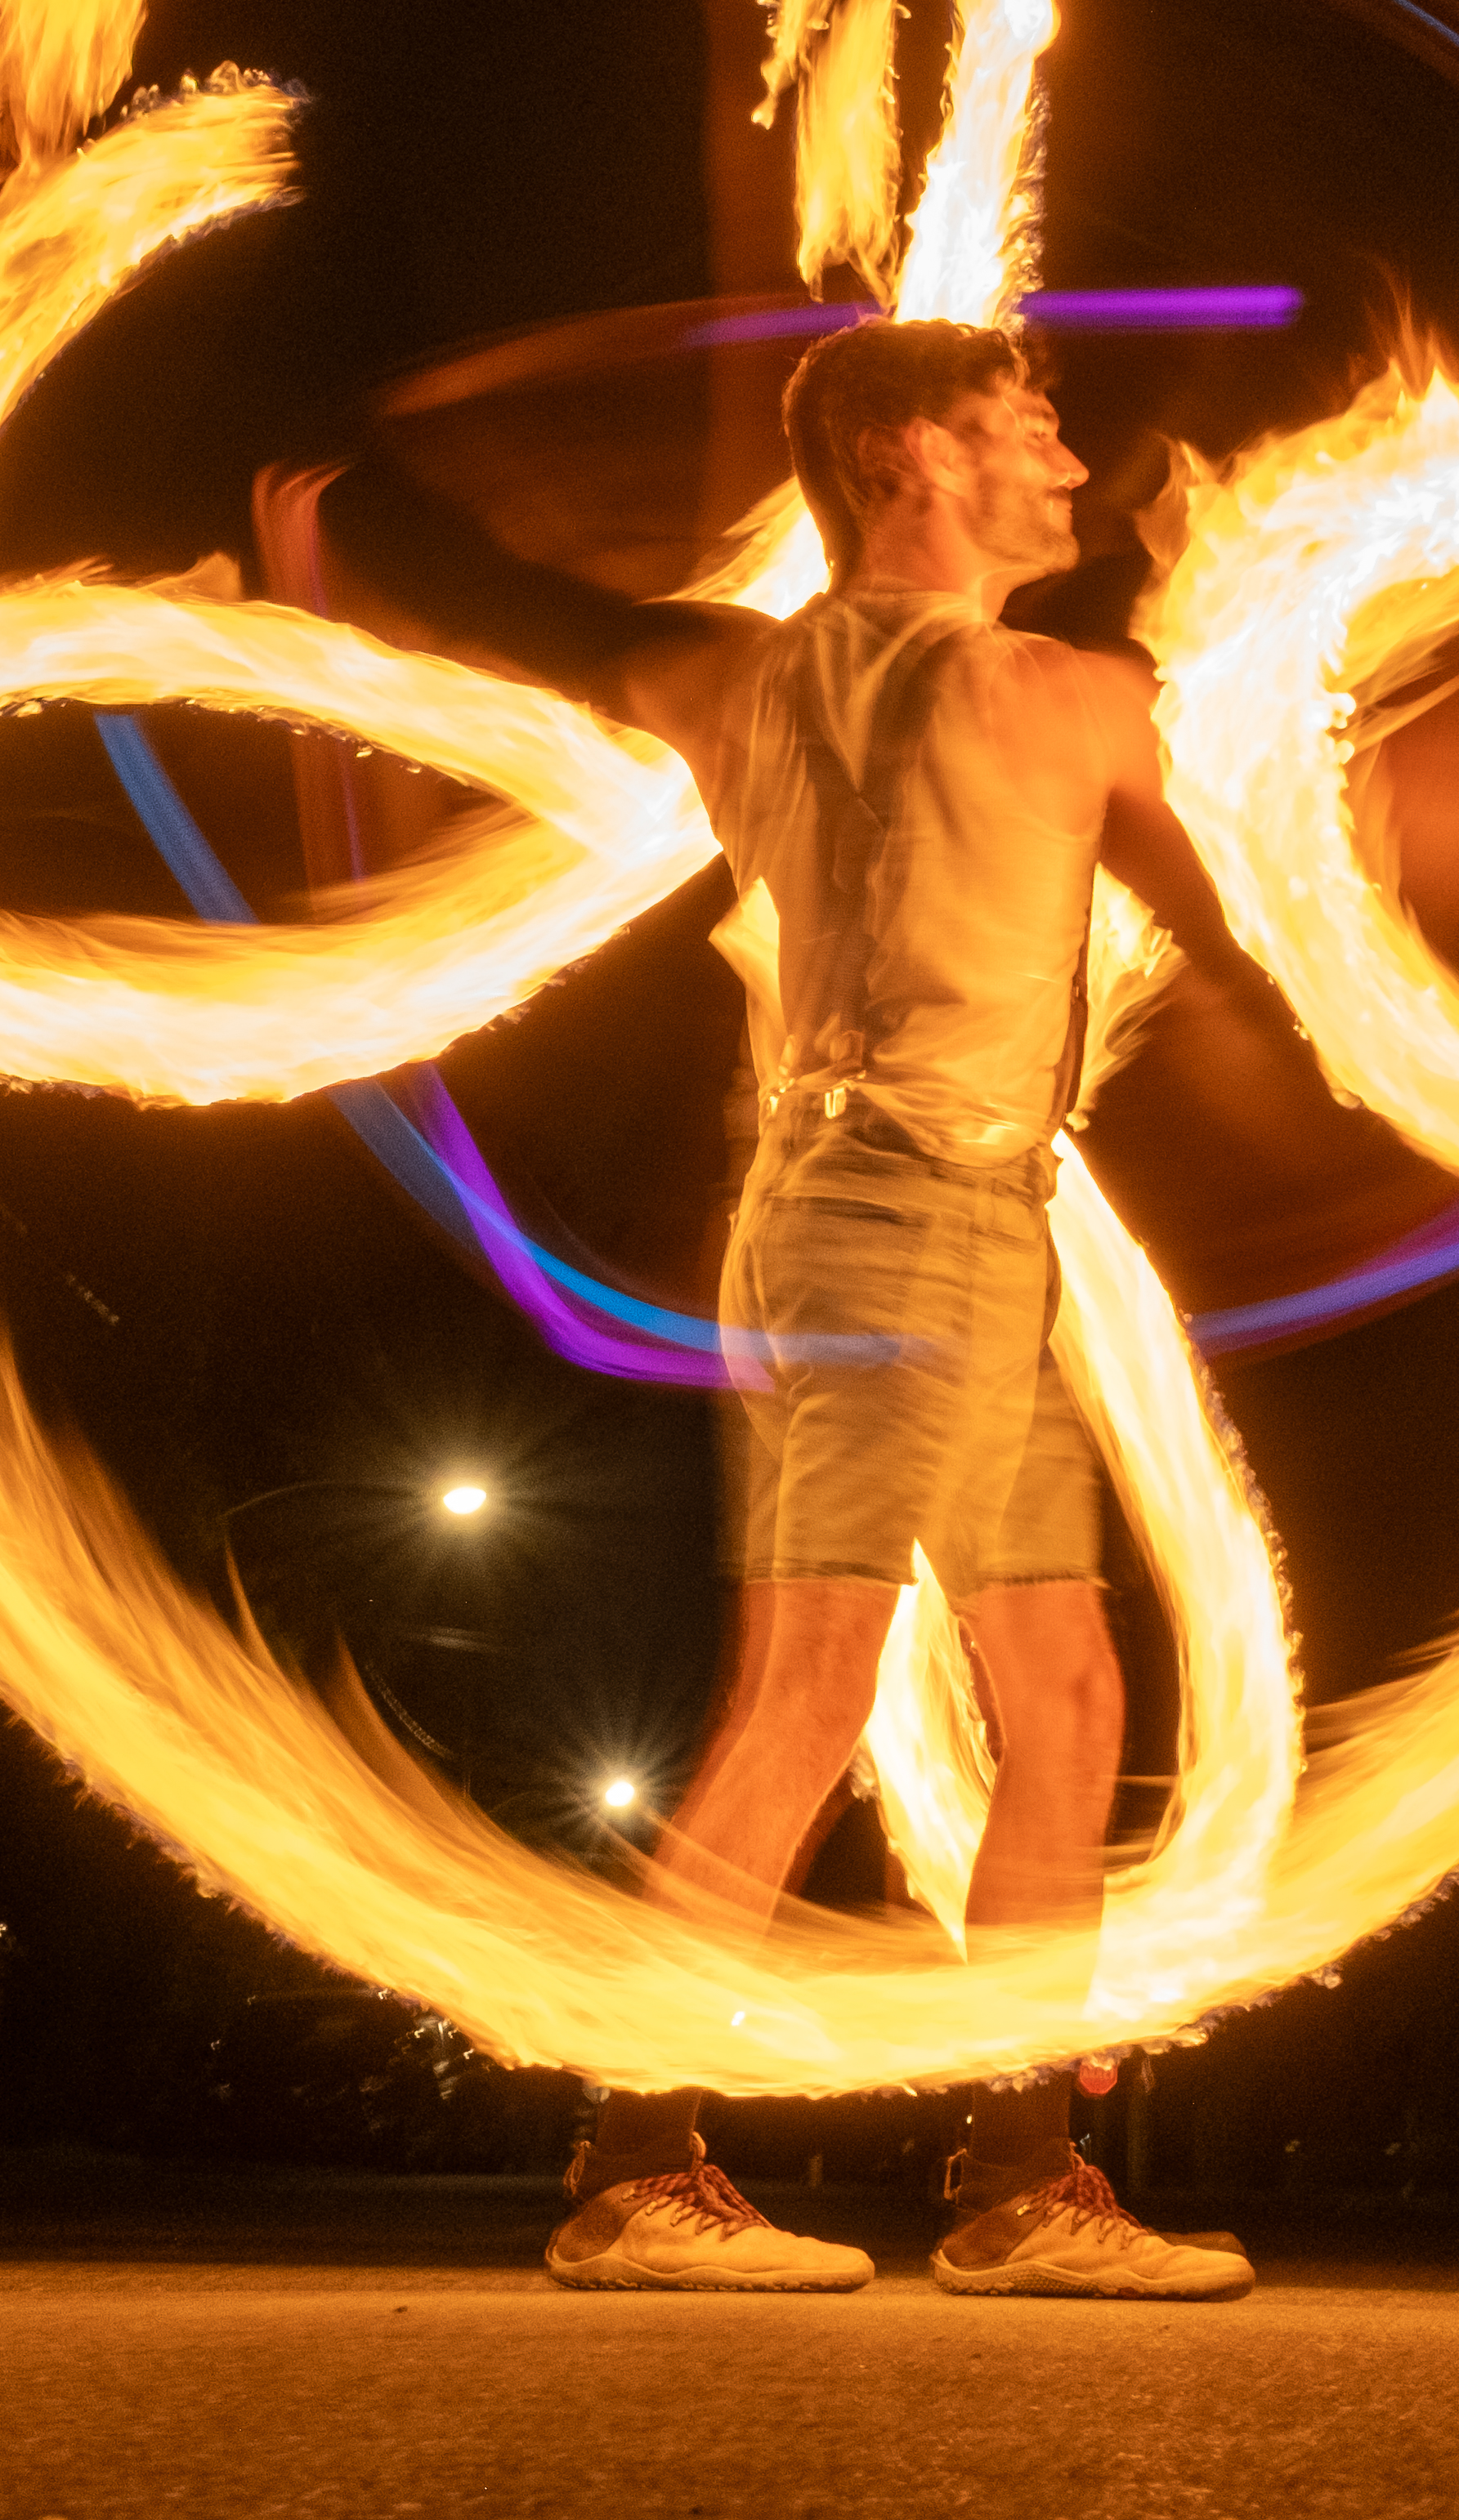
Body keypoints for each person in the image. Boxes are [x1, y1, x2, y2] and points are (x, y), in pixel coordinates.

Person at [322, 319, 1255, 2301]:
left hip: (937, 1212)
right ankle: (630, 2160)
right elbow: (1250, 949)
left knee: (1068, 1695)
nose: (1071, 467)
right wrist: (1453, 1095)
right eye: (1033, 427)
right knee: (811, 1690)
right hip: (894, 1210)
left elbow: (517, 608)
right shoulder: (1062, 695)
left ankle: (1019, 2174)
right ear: (918, 455)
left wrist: (343, 507)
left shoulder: (736, 673)